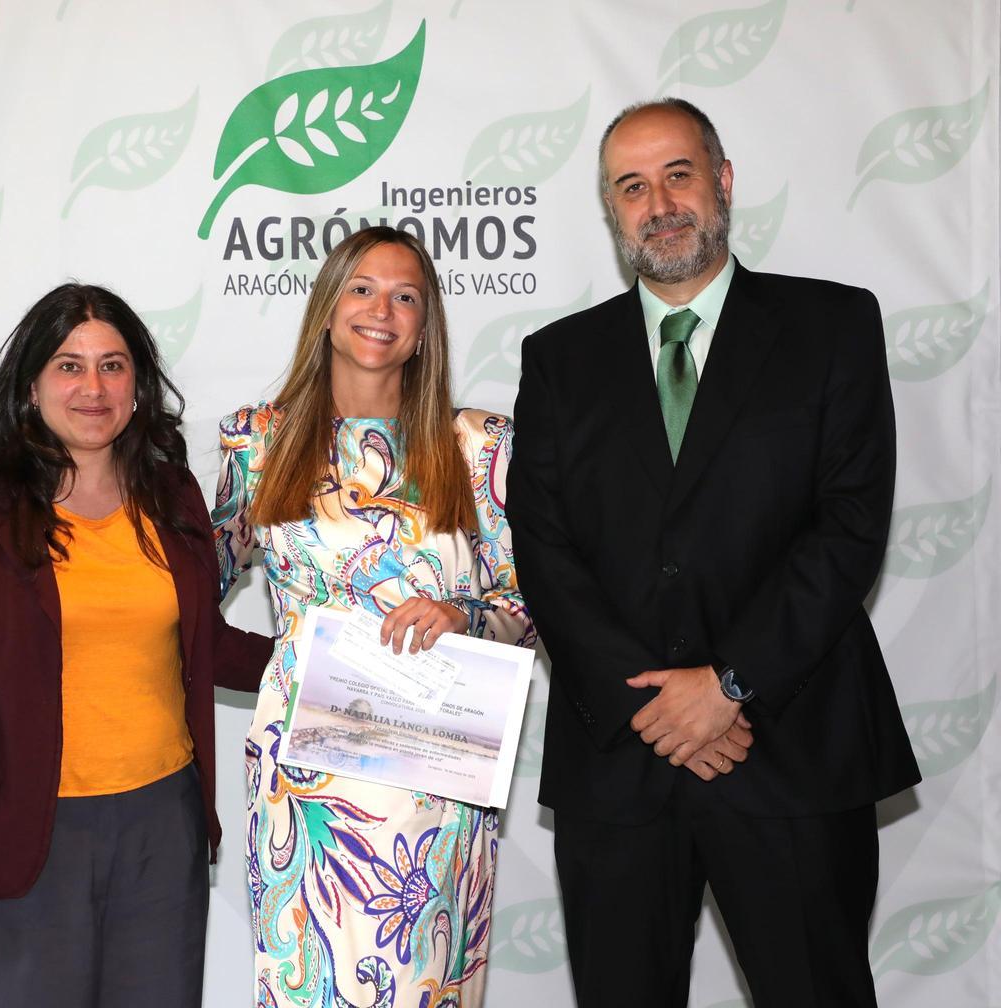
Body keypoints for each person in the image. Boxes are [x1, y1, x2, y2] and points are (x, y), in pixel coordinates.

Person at [507, 99, 920, 1007]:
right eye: (632, 186)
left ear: (723, 182)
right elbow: (543, 549)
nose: (659, 202)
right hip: (620, 763)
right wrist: (657, 707)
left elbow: (849, 530)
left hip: (794, 750)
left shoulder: (834, 327)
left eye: (678, 174)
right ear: (612, 211)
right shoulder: (558, 360)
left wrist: (726, 685)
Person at [0, 283, 273, 1006]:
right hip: (25, 840)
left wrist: (342, 660)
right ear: (32, 384)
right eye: (69, 366)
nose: (93, 387)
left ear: (138, 384)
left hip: (162, 832)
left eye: (113, 365)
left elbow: (207, 648)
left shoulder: (173, 498)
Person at [212, 226, 536, 1007]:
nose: (380, 309)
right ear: (327, 308)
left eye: (405, 296)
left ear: (424, 328)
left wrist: (462, 615)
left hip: (438, 783)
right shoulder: (258, 441)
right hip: (306, 789)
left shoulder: (479, 447)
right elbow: (192, 588)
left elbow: (532, 605)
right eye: (361, 288)